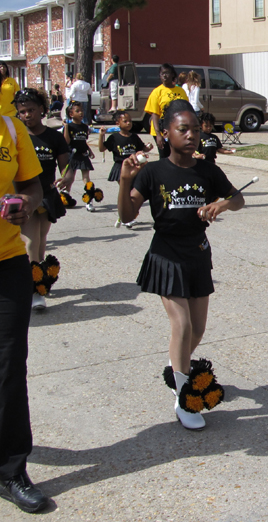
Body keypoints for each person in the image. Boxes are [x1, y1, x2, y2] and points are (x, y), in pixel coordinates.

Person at [117, 99, 245, 430]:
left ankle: (178, 365)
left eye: (195, 129)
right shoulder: (152, 172)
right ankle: (184, 396)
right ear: (165, 133)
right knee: (183, 324)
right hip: (166, 253)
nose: (191, 136)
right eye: (182, 129)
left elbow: (239, 199)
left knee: (198, 329)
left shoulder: (208, 170)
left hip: (198, 252)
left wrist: (222, 204)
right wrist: (124, 181)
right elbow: (127, 215)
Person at [0, 105, 47, 513]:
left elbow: (34, 187)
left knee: (10, 364)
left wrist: (24, 205)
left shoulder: (11, 130)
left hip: (7, 263)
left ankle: (12, 471)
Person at [15, 88, 69, 311]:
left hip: (47, 195)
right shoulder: (17, 136)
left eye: (31, 110)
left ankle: (40, 276)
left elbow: (65, 165)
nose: (27, 115)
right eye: (22, 112)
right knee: (30, 242)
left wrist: (66, 177)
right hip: (25, 195)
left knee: (41, 239)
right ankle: (36, 290)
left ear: (42, 110)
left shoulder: (54, 137)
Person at [99, 110, 152, 229]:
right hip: (120, 167)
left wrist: (147, 148)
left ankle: (127, 215)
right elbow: (102, 148)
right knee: (127, 191)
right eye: (125, 121)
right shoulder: (114, 137)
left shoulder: (134, 136)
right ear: (118, 123)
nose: (129, 123)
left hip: (133, 167)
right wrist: (101, 135)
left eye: (130, 121)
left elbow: (141, 148)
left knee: (133, 192)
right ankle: (127, 218)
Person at [144, 63, 188, 159]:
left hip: (177, 128)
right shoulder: (157, 92)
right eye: (162, 73)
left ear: (173, 75)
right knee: (165, 156)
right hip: (162, 129)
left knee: (177, 155)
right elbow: (155, 115)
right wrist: (158, 135)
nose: (164, 75)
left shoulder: (180, 91)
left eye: (167, 73)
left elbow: (186, 110)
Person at [61, 101, 98, 211]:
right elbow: (66, 142)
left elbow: (83, 141)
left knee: (86, 178)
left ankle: (89, 199)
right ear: (71, 114)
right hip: (72, 155)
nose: (81, 113)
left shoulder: (84, 127)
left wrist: (90, 151)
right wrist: (66, 127)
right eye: (77, 111)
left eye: (82, 111)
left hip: (83, 155)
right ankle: (65, 197)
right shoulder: (69, 127)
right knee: (70, 178)